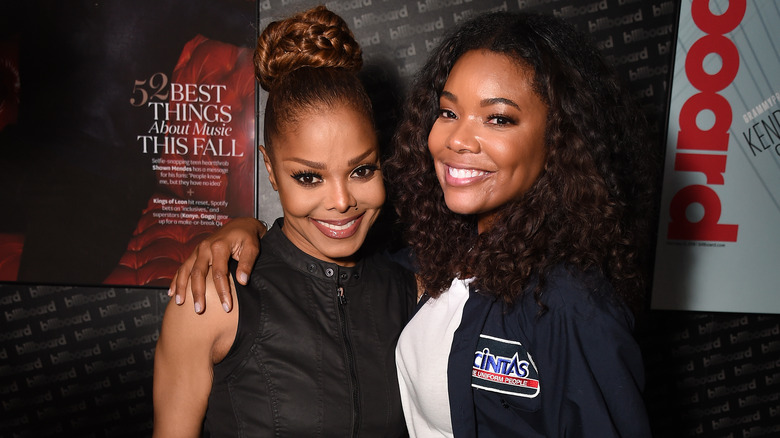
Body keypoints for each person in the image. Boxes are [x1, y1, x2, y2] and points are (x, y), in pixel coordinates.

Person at [171, 10, 656, 438]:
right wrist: (243, 230)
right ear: (270, 171)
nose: (340, 201)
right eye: (448, 111)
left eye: (499, 119)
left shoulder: (566, 303)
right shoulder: (435, 275)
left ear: (559, 138)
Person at [152, 6, 415, 437]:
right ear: (271, 171)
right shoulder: (212, 299)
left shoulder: (413, 295)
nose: (341, 201)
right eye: (308, 177)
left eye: (362, 170)